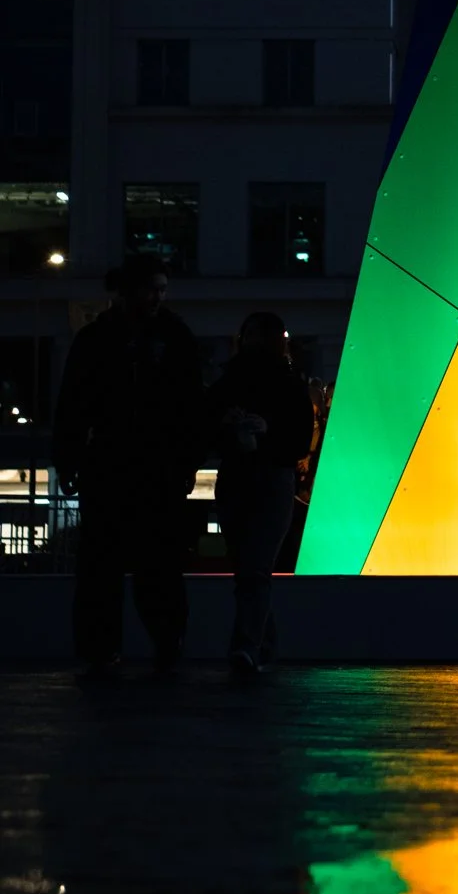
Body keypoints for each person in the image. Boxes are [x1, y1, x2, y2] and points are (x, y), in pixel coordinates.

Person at [51, 253, 202, 674]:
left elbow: (73, 405)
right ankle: (163, 642)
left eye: (161, 289)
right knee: (156, 564)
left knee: (106, 564)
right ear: (131, 290)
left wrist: (68, 459)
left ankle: (105, 648)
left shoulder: (99, 338)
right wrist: (187, 461)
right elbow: (191, 405)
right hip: (151, 465)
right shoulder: (173, 336)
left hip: (115, 464)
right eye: (153, 289)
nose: (158, 297)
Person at [206, 312, 316, 675]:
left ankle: (249, 646)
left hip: (247, 476)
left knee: (249, 569)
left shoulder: (229, 380)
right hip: (268, 478)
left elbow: (206, 423)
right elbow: (299, 440)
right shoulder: (290, 383)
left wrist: (239, 431)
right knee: (252, 569)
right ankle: (259, 647)